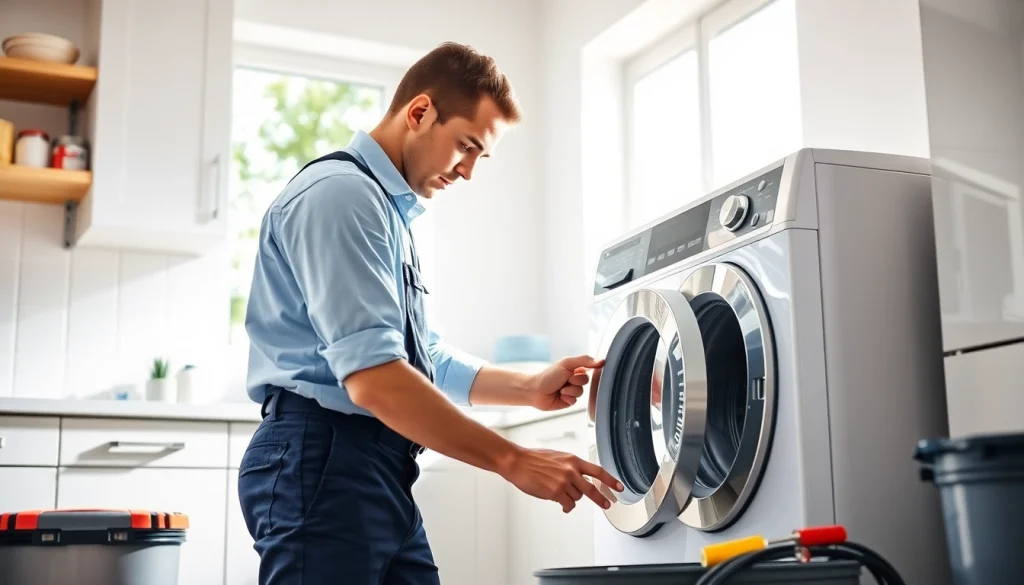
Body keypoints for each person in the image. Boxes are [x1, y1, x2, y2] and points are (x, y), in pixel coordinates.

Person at [237, 41, 624, 585]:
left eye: (480, 157)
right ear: (419, 113)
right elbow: (376, 380)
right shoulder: (342, 196)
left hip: (370, 468)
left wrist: (530, 386)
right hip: (322, 459)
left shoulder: (383, 210)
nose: (467, 172)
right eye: (465, 147)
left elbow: (423, 360)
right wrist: (514, 459)